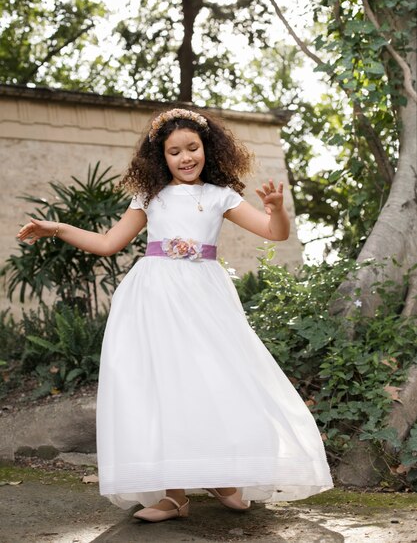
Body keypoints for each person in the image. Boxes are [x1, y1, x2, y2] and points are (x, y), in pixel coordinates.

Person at [17, 107, 333, 523]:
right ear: (159, 157)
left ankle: (222, 476)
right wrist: (56, 228)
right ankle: (174, 495)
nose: (185, 158)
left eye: (192, 148)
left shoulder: (221, 196)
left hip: (204, 296)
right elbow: (110, 242)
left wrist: (277, 209)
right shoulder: (150, 197)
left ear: (208, 149)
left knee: (213, 382)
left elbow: (274, 233)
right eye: (174, 152)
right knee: (164, 387)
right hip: (154, 296)